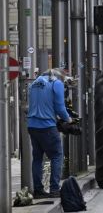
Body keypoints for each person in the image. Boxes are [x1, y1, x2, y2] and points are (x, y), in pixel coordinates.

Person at [27, 68, 73, 199]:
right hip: (47, 126)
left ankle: (38, 190)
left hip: (32, 126)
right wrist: (68, 119)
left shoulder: (34, 83)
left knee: (37, 158)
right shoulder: (56, 83)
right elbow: (60, 107)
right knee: (57, 155)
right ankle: (54, 189)